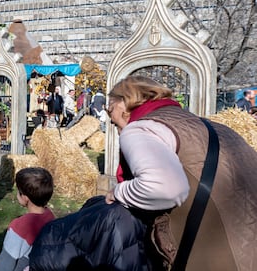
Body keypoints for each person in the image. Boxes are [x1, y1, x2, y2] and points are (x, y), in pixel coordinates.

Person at [105, 75, 257, 271]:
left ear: (125, 102)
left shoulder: (141, 128)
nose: (109, 113)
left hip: (213, 257)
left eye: (110, 105)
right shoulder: (215, 128)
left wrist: (118, 192)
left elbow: (164, 188)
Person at [0, 167, 55, 271]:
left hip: (18, 266)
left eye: (18, 191)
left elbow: (6, 264)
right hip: (32, 263)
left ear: (25, 197)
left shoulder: (20, 227)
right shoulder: (50, 216)